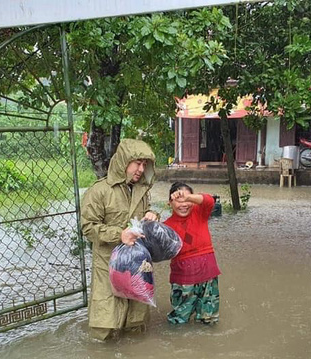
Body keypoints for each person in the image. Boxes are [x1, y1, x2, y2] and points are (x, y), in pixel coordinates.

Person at [80, 139, 158, 341]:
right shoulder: (100, 191)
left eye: (144, 164)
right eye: (137, 163)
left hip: (136, 264)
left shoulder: (142, 190)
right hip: (108, 264)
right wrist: (119, 235)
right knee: (104, 328)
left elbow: (141, 220)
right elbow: (87, 227)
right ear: (124, 161)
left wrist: (152, 215)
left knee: (136, 325)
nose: (141, 169)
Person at [163, 182, 221, 324]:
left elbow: (209, 200)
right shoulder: (165, 227)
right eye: (178, 200)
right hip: (183, 280)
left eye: (188, 200)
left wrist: (188, 196)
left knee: (209, 320)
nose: (184, 204)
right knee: (179, 319)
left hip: (208, 277)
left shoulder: (200, 213)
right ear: (170, 203)